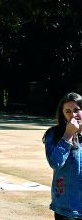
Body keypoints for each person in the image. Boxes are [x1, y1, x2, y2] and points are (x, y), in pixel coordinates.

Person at [43, 91, 82, 219]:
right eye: (68, 111)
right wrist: (68, 135)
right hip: (66, 205)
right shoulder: (54, 135)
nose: (73, 115)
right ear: (63, 114)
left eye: (77, 110)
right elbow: (55, 163)